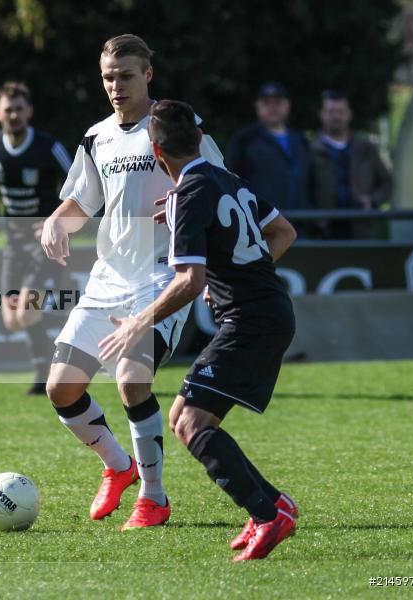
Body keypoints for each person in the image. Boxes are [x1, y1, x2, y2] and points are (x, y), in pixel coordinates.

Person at [98, 99, 299, 561]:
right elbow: (283, 231)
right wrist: (238, 272)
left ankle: (269, 515)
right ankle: (272, 506)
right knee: (188, 418)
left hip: (251, 321)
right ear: (198, 138)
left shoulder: (189, 192)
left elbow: (190, 281)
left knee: (189, 422)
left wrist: (137, 321)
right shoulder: (223, 178)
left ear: (155, 150)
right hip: (265, 312)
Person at [40, 35, 225, 530]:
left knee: (131, 378)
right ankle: (118, 467)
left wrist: (192, 203)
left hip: (162, 277)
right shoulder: (96, 137)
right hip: (108, 280)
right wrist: (58, 221)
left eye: (125, 75)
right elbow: (81, 203)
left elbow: (221, 187)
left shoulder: (178, 128)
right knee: (60, 388)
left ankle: (155, 497)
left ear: (148, 75)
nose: (115, 86)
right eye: (107, 77)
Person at [0, 81, 71, 395]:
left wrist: (56, 220)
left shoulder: (48, 146)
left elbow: (80, 183)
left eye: (19, 109)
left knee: (27, 310)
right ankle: (58, 345)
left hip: (45, 243)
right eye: (8, 110)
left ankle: (48, 370)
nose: (14, 115)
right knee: (12, 320)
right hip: (14, 243)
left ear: (29, 111)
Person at [309, 90, 393, 239]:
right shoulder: (311, 150)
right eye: (331, 112)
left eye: (341, 111)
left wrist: (373, 201)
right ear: (322, 115)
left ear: (349, 114)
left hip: (361, 228)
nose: (336, 117)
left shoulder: (365, 148)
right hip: (325, 231)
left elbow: (387, 182)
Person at [226, 83, 311, 213]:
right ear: (257, 106)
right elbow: (232, 180)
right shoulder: (245, 139)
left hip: (300, 222)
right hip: (262, 222)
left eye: (277, 102)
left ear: (287, 105)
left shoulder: (300, 140)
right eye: (266, 103)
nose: (272, 107)